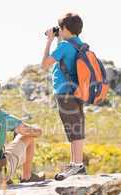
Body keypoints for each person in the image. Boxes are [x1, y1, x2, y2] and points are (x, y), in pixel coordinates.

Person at [41, 13, 87, 180]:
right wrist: (59, 38)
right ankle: (75, 164)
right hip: (77, 92)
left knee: (73, 129)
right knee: (74, 127)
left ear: (65, 29)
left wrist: (49, 41)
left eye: (60, 28)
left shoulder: (64, 47)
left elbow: (45, 64)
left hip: (64, 92)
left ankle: (77, 165)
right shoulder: (78, 44)